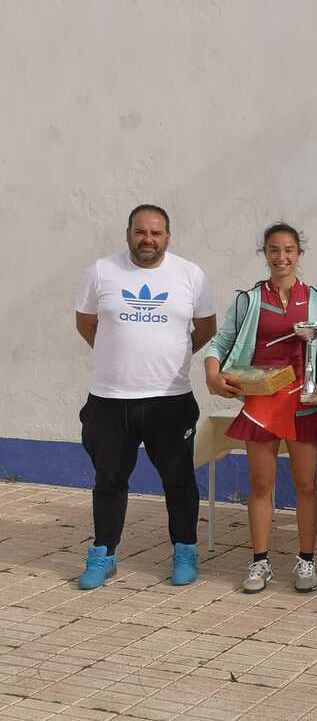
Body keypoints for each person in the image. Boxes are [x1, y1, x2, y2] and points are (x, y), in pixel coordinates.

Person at [74, 204, 216, 589]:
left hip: (169, 400)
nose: (148, 239)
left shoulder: (190, 275)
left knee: (179, 480)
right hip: (109, 399)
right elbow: (87, 323)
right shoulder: (102, 271)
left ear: (168, 236)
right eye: (141, 232)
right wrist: (118, 356)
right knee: (109, 480)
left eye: (156, 233)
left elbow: (204, 328)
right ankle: (104, 554)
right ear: (128, 234)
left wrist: (173, 356)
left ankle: (185, 550)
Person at [204, 223, 317, 594]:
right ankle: (260, 562)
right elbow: (221, 341)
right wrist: (212, 373)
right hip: (262, 399)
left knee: (305, 484)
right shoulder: (249, 300)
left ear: (299, 254)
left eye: (289, 250)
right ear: (265, 254)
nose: (282, 258)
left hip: (303, 400)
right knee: (262, 483)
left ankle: (306, 562)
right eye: (274, 250)